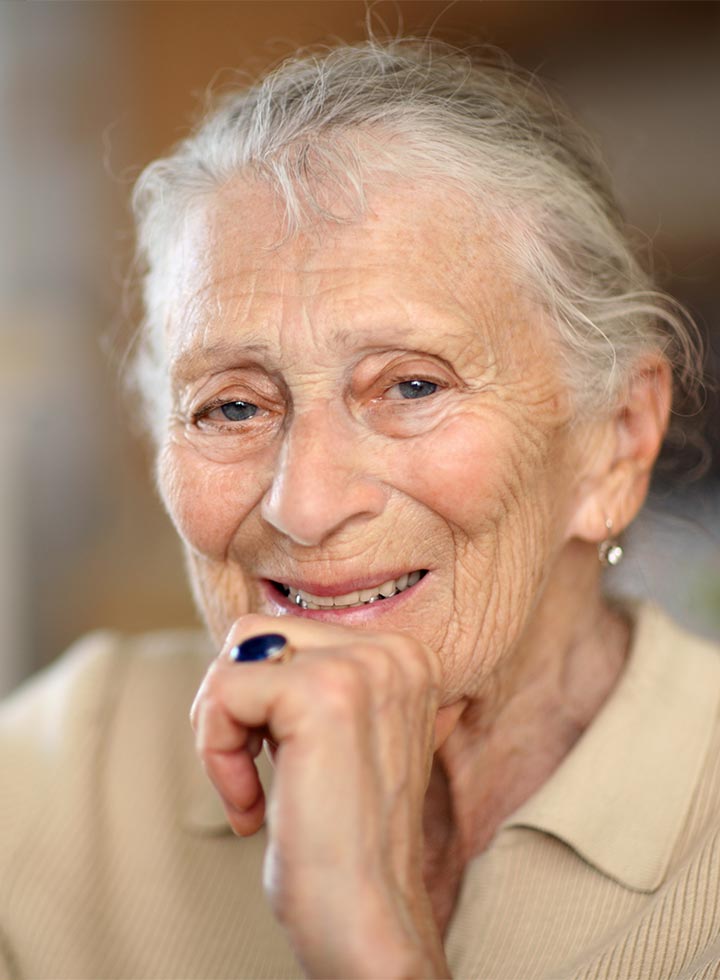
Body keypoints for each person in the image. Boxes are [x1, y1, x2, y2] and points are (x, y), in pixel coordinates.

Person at [1, 38, 718, 980]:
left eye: (412, 386)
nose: (305, 506)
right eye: (233, 407)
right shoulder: (67, 772)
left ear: (616, 442)